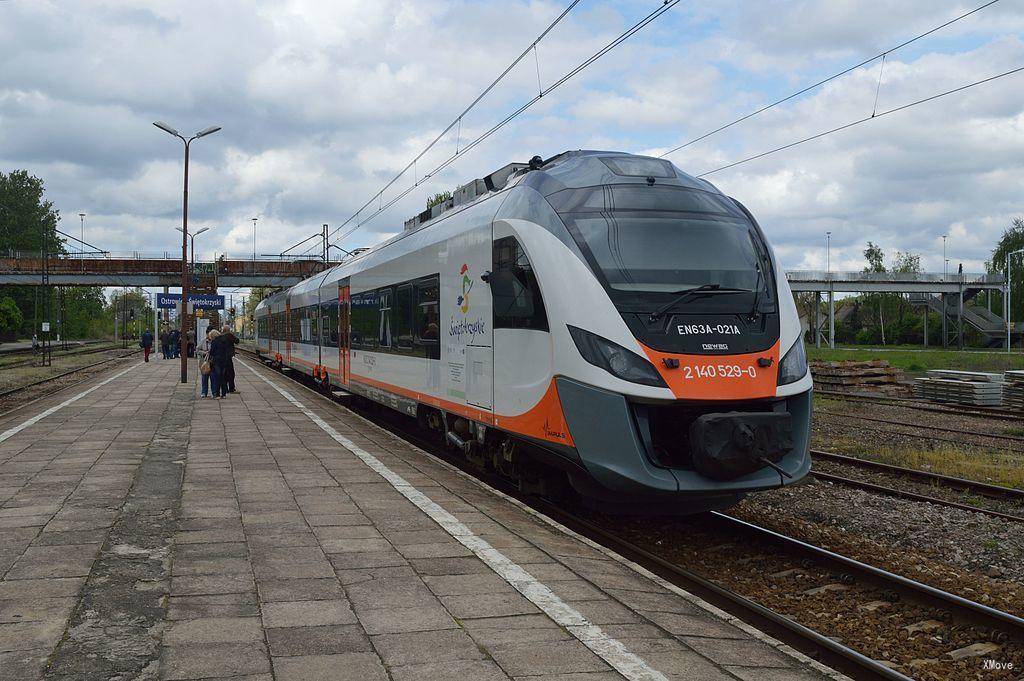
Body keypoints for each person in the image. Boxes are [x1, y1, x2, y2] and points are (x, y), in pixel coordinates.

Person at [208, 328, 232, 399]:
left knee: (217, 378)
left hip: (217, 361)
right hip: (224, 361)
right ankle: (224, 393)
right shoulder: (224, 340)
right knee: (223, 377)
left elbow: (212, 352)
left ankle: (217, 394)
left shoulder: (215, 342)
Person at [197, 328, 218, 398]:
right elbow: (197, 350)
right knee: (204, 379)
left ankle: (214, 393)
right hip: (204, 363)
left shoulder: (215, 342)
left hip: (213, 363)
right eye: (209, 334)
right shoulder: (202, 341)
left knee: (213, 379)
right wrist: (204, 353)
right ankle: (204, 392)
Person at [221, 324, 239, 393]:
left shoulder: (221, 336)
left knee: (224, 373)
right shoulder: (229, 335)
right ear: (228, 330)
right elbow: (237, 341)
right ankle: (231, 388)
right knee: (231, 373)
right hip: (228, 357)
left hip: (222, 357)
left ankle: (225, 388)